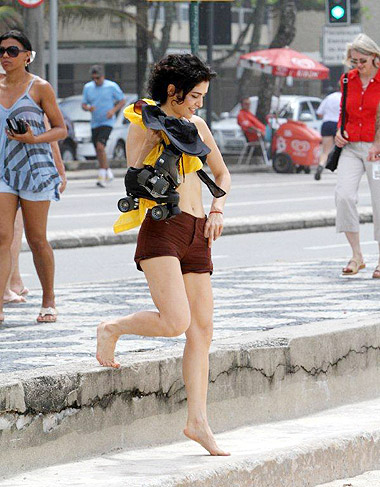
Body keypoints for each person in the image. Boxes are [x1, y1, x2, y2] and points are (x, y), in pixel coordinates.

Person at [96, 54, 231, 456]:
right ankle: (113, 328)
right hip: (164, 229)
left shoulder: (199, 126)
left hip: (197, 231)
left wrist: (218, 209)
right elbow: (133, 173)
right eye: (194, 96)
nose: (199, 105)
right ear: (172, 91)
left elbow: (221, 174)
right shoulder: (142, 122)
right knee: (176, 322)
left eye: (204, 96)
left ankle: (198, 422)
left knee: (201, 331)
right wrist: (156, 139)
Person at [0, 30, 67, 324]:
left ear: (27, 56)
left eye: (12, 51)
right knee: (2, 236)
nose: (5, 56)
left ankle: (48, 299)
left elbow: (60, 129)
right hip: (3, 170)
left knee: (37, 238)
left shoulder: (40, 88)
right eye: (1, 50)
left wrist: (33, 138)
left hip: (35, 168)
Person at [334, 33, 380, 277]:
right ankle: (357, 255)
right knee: (343, 197)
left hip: (377, 149)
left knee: (379, 202)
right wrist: (339, 131)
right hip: (351, 147)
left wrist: (378, 143)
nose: (358, 66)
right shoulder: (347, 80)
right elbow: (344, 110)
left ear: (375, 57)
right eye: (354, 61)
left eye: (362, 61)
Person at [82, 65, 125, 188]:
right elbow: (84, 104)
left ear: (103, 76)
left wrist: (113, 110)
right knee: (97, 148)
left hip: (107, 122)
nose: (96, 81)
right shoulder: (88, 87)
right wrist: (88, 108)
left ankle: (102, 174)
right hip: (95, 122)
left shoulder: (111, 86)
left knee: (100, 147)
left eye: (98, 78)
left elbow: (122, 100)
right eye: (93, 78)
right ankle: (108, 171)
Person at [314, 85, 342, 181]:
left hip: (327, 123)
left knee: (325, 150)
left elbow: (319, 112)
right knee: (341, 150)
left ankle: (321, 164)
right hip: (339, 124)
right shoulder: (345, 97)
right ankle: (340, 171)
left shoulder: (329, 97)